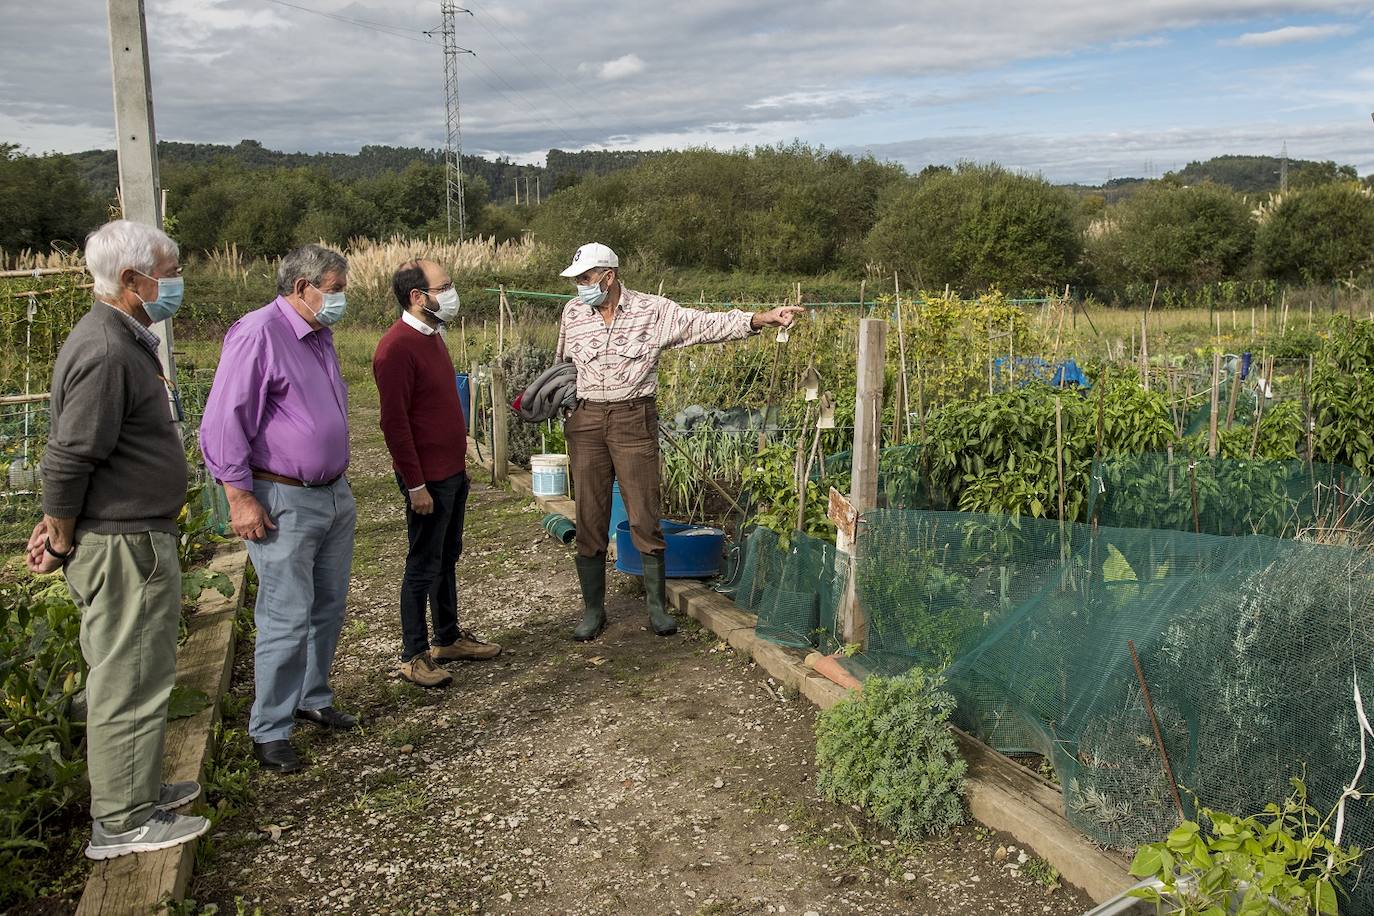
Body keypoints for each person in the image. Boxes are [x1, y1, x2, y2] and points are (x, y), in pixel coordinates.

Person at [27, 219, 209, 859]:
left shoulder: (118, 337)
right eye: (170, 268)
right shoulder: (107, 348)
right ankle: (124, 822)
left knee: (141, 670)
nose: (177, 280)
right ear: (133, 280)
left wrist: (59, 523)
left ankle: (139, 791)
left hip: (127, 533)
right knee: (128, 679)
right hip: (123, 543)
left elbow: (82, 454)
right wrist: (58, 532)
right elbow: (70, 456)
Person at [554, 243, 803, 641]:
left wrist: (762, 319)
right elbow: (563, 365)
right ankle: (593, 611)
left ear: (608, 276)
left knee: (643, 511)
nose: (580, 287)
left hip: (632, 417)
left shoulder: (652, 311)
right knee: (590, 511)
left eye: (585, 279)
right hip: (585, 421)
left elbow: (703, 324)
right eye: (578, 280)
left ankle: (656, 607)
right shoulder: (573, 313)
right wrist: (563, 405)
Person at [200, 244, 357, 774]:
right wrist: (240, 498)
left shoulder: (319, 334)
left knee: (328, 606)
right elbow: (225, 422)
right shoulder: (259, 333)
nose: (341, 299)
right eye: (333, 290)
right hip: (282, 497)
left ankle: (313, 697)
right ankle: (270, 727)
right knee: (285, 616)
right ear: (302, 288)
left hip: (332, 493)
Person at [373, 259, 501, 689]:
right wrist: (415, 484)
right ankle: (414, 654)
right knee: (422, 563)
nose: (451, 293)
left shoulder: (433, 336)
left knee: (447, 556)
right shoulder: (395, 348)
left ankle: (447, 637)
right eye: (443, 286)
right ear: (417, 297)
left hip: (451, 471)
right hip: (426, 479)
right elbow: (394, 423)